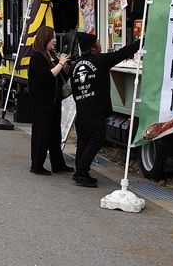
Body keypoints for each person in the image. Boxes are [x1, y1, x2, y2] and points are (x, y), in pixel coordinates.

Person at [69, 33, 141, 187]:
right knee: (96, 140)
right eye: (99, 43)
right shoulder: (100, 61)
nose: (101, 46)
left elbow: (74, 89)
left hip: (81, 109)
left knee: (83, 141)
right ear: (93, 48)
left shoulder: (76, 65)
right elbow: (121, 54)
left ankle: (81, 172)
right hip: (95, 110)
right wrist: (141, 42)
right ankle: (81, 172)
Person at [27, 25, 73, 175]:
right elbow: (46, 76)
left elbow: (60, 78)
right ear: (44, 38)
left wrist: (65, 66)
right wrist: (59, 64)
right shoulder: (37, 56)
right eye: (52, 37)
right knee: (42, 133)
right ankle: (37, 165)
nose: (55, 40)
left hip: (54, 100)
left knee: (55, 134)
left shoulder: (51, 55)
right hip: (42, 102)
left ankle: (58, 164)